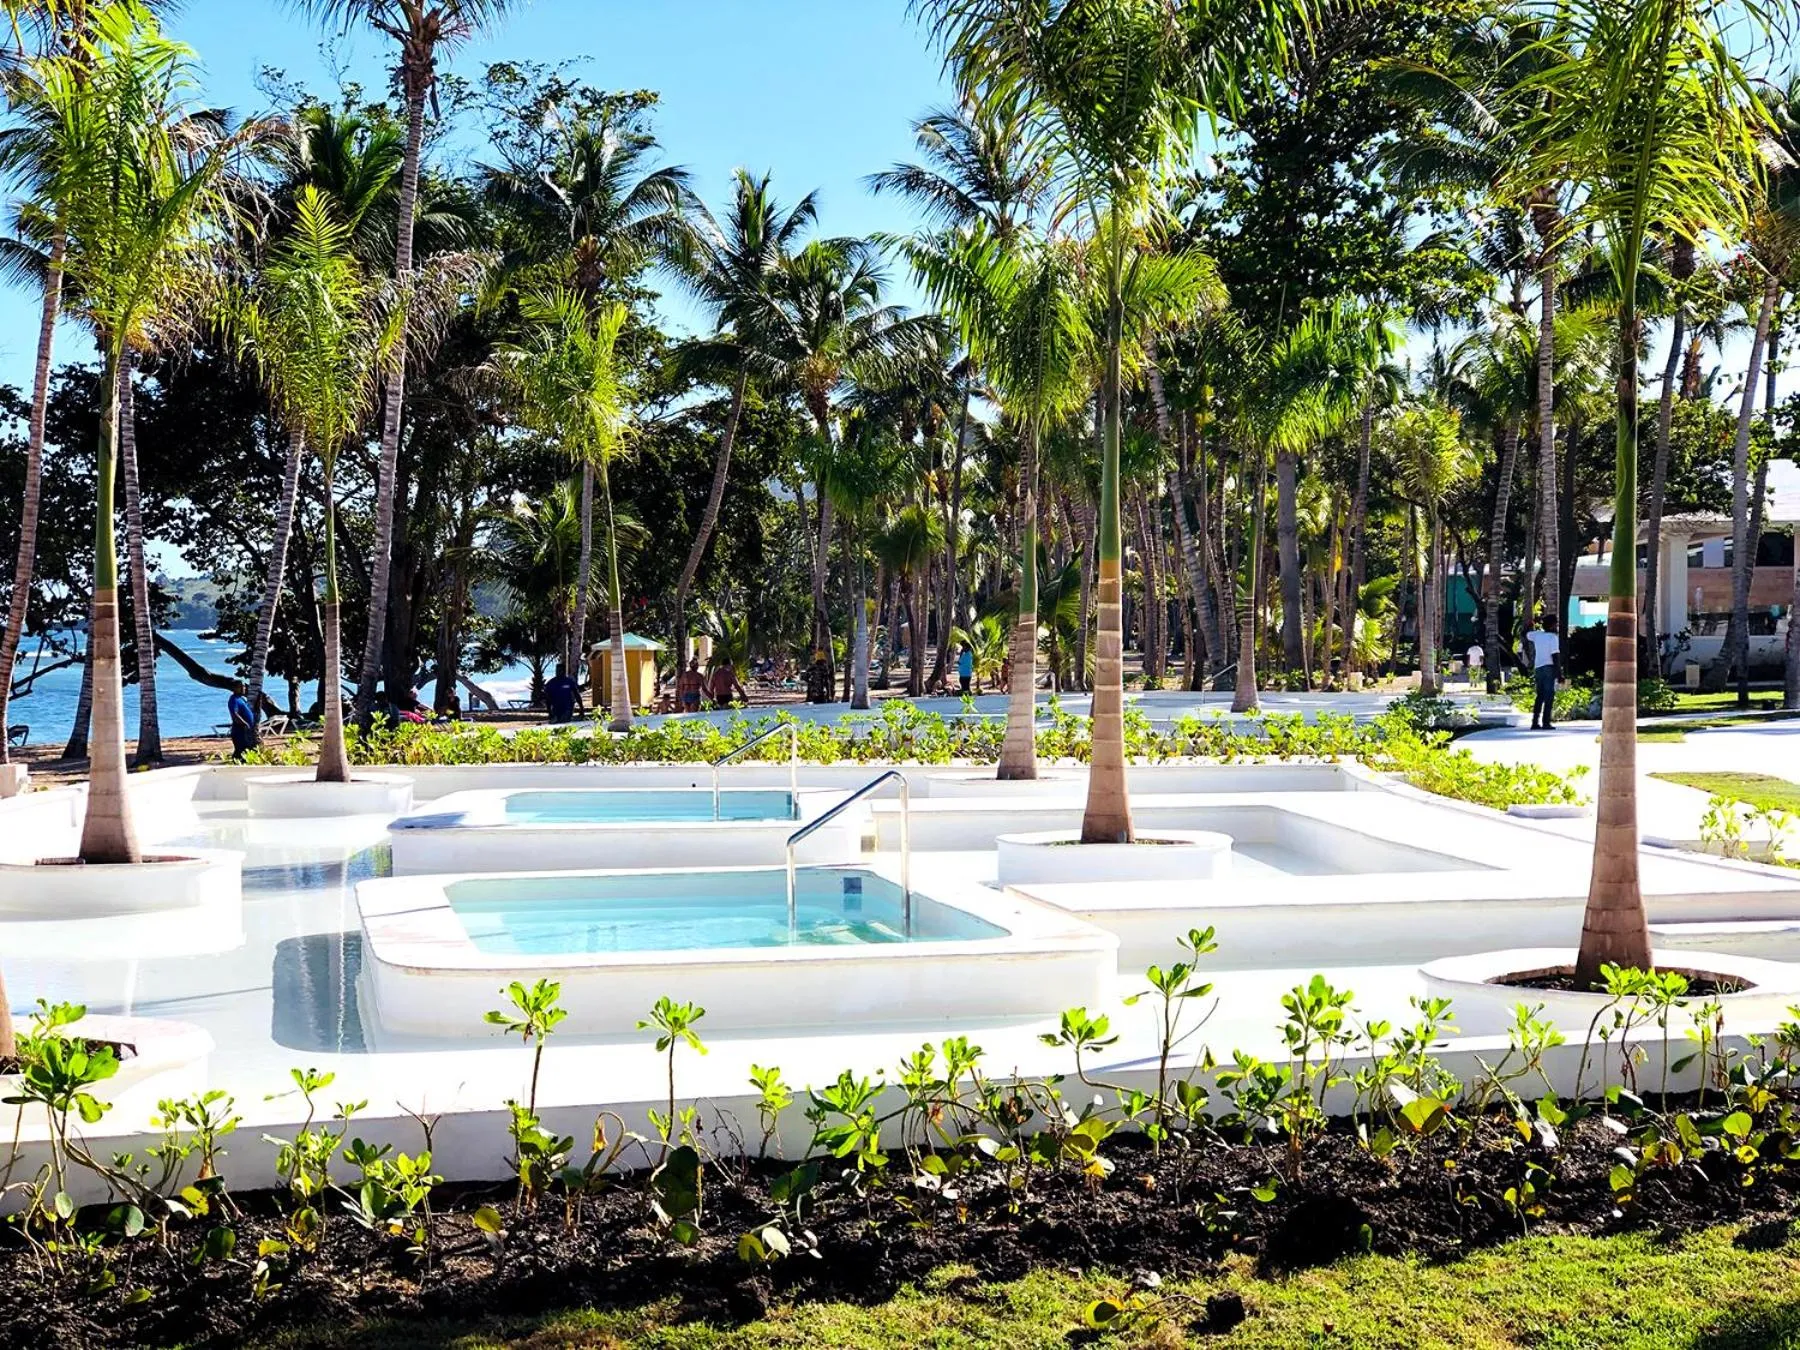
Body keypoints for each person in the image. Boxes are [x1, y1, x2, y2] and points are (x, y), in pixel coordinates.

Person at [1526, 612, 1560, 731]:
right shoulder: (1553, 638)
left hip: (1538, 668)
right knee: (1549, 696)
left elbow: (1525, 633)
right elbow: (1555, 656)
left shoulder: (1537, 635)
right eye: (1555, 624)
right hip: (1549, 668)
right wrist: (1559, 673)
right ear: (1552, 625)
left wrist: (1532, 623)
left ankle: (1535, 722)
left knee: (1539, 696)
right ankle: (1546, 722)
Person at [227, 680, 257, 760]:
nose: (243, 688)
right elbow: (235, 714)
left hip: (246, 730)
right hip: (239, 730)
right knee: (240, 750)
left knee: (246, 750)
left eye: (244, 686)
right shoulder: (233, 700)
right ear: (234, 688)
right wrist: (245, 724)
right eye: (240, 687)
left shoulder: (241, 699)